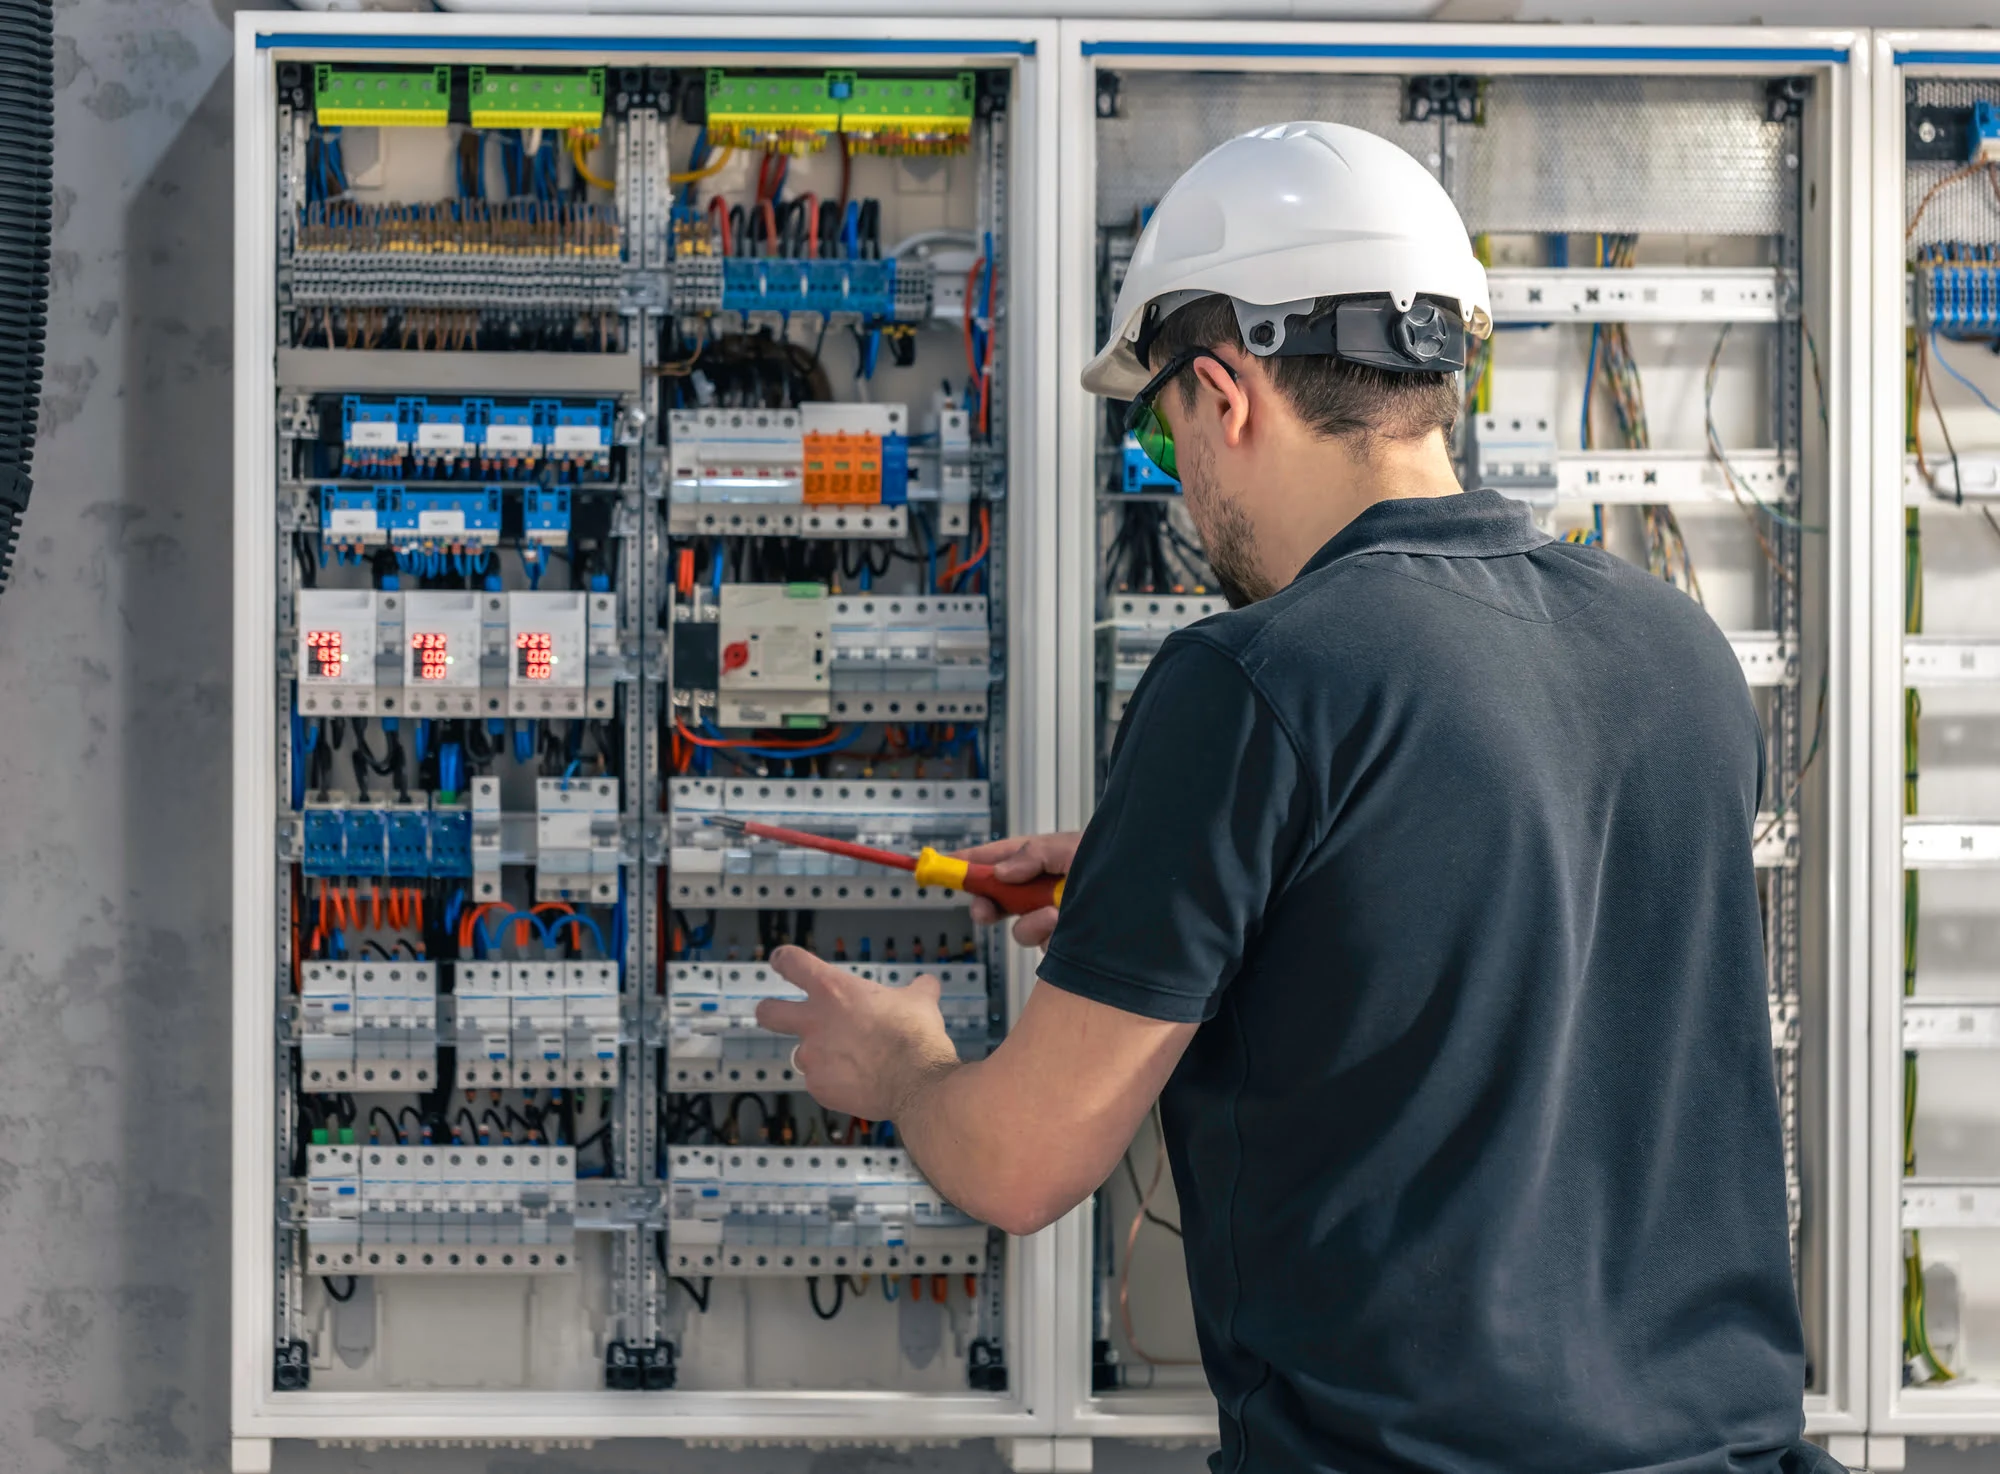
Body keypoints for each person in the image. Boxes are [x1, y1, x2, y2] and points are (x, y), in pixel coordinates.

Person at [756, 121, 1825, 1474]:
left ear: (1227, 391)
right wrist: (1178, 877)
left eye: (1161, 430)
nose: (1179, 478)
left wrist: (900, 1062)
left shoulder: (1254, 682)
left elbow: (1019, 1162)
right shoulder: (1676, 647)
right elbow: (1495, 919)